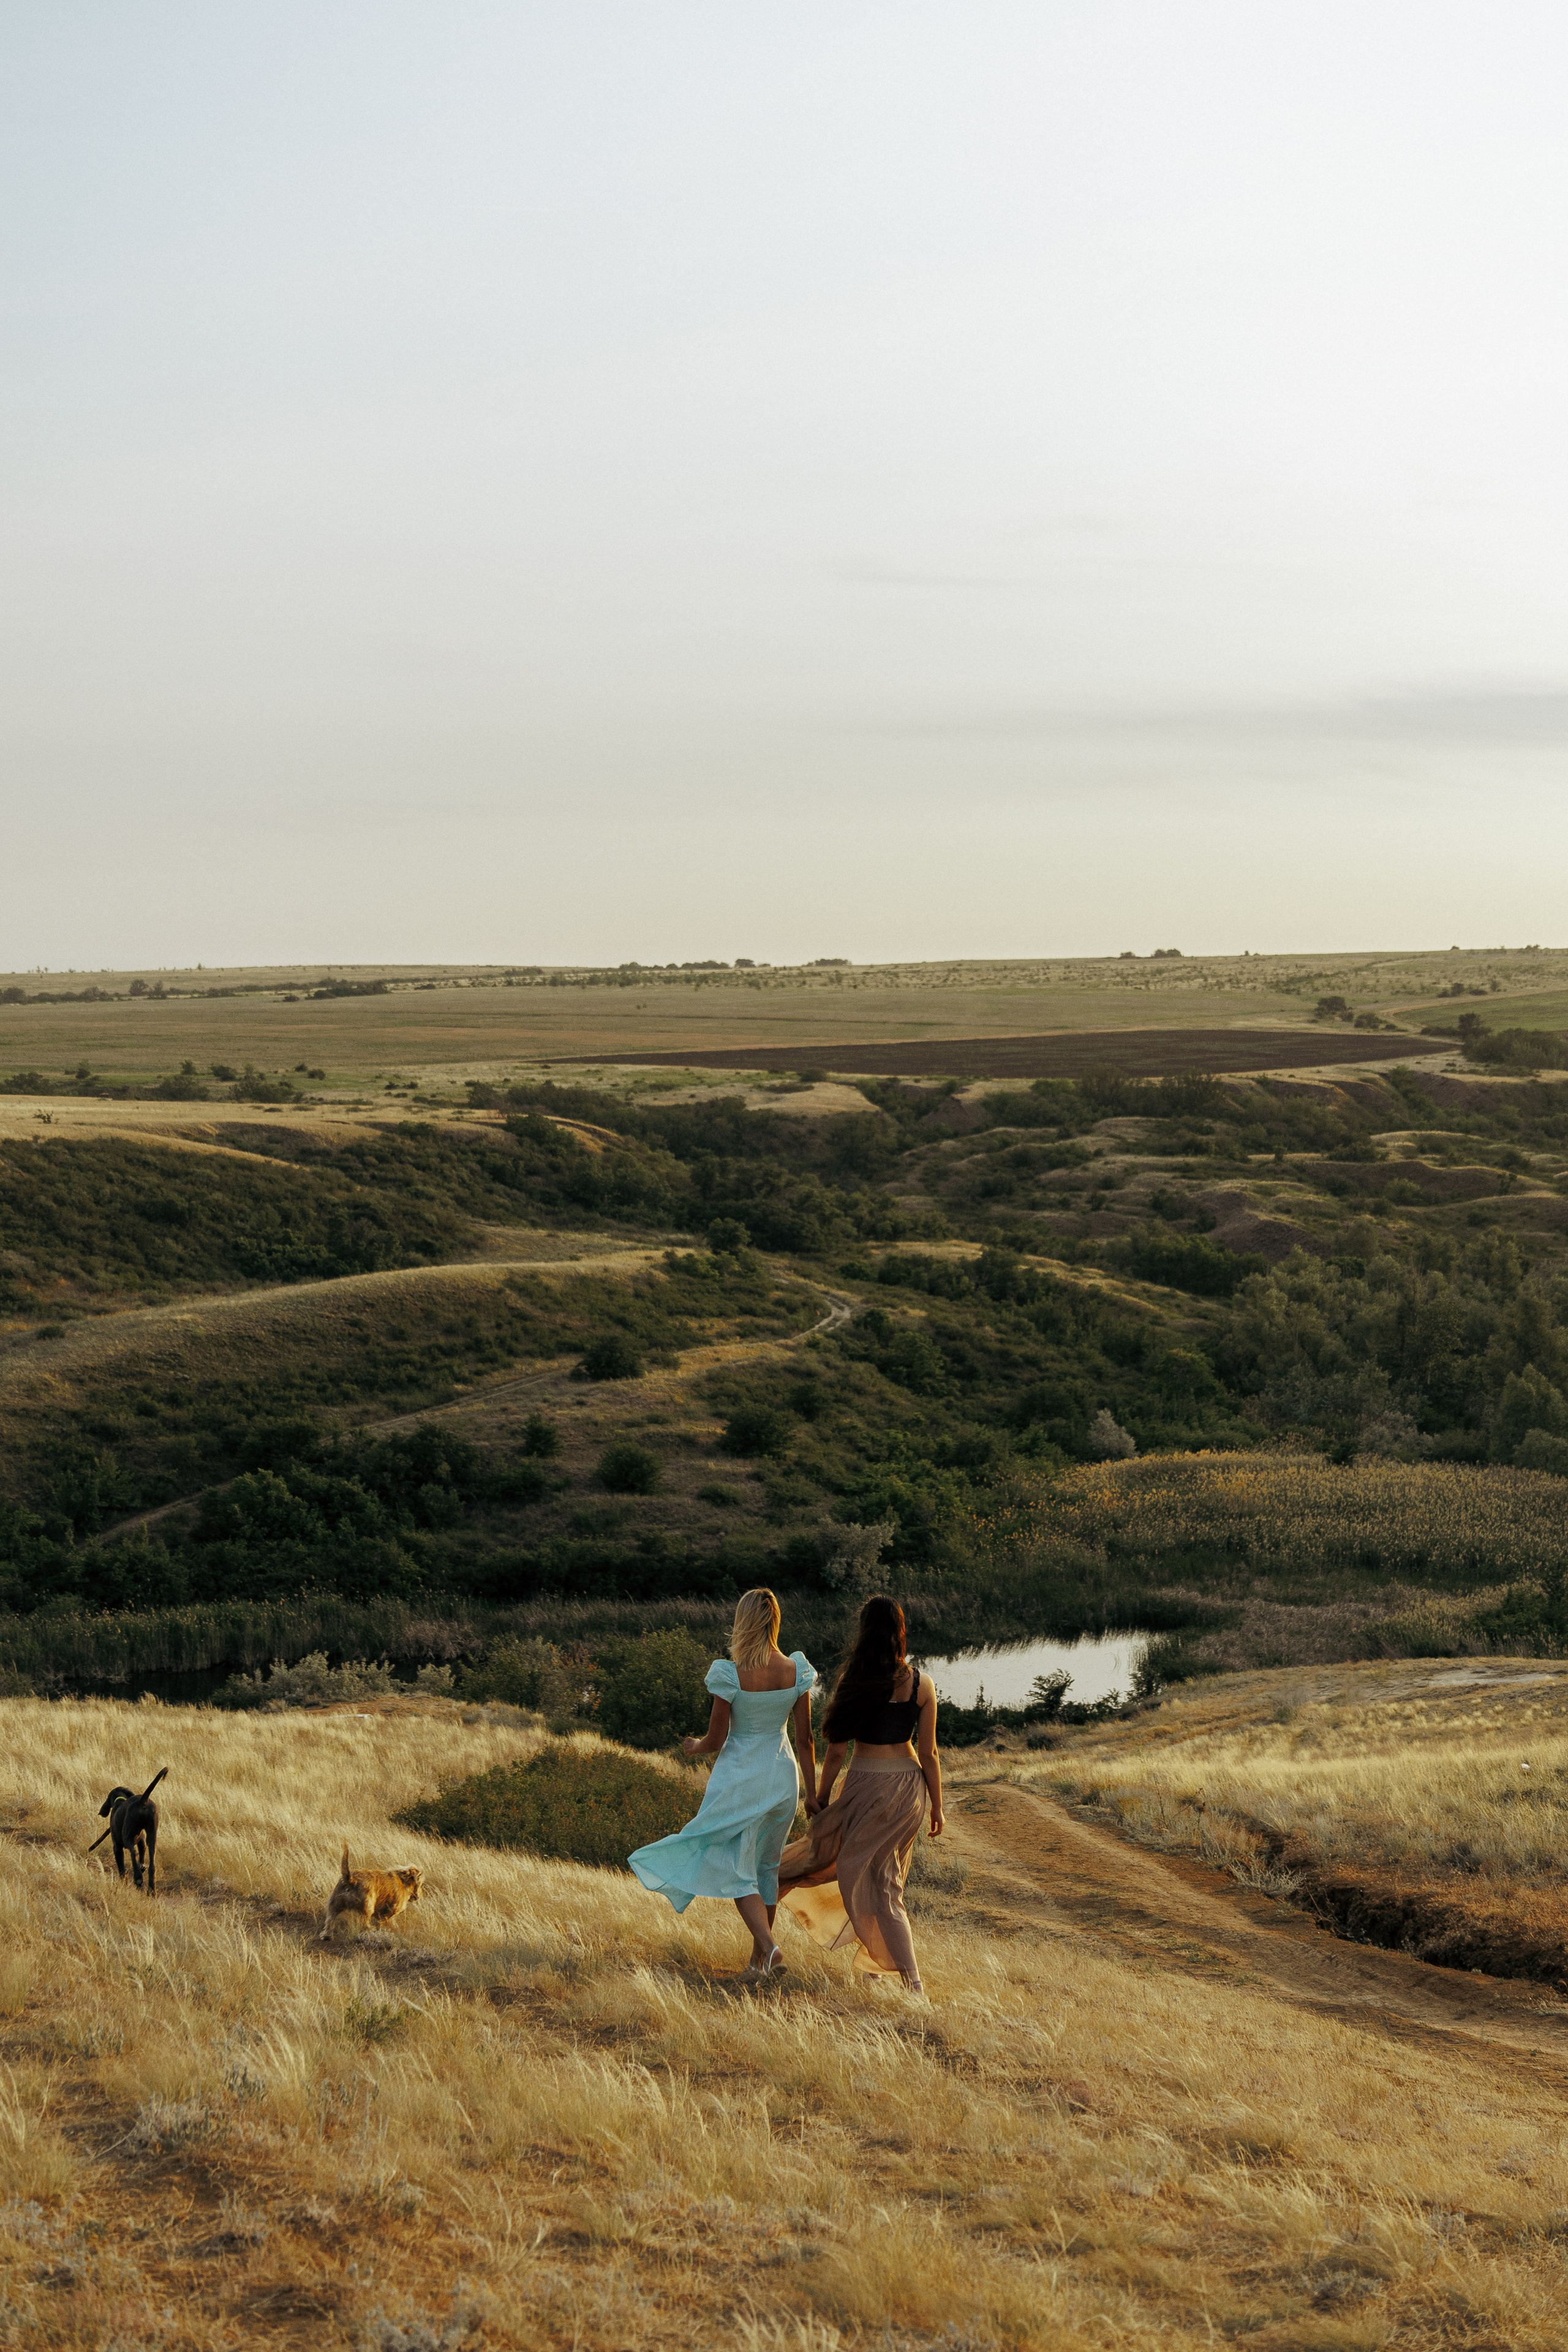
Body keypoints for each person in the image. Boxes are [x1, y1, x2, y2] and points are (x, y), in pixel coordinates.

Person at [628, 1588, 816, 1979]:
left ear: (743, 1621)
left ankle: (769, 1947)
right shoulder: (797, 1670)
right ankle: (758, 1963)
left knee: (734, 1868)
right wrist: (812, 1794)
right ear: (775, 1621)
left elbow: (716, 1740)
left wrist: (695, 1747)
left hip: (742, 1777)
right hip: (783, 1777)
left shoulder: (730, 1673)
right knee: (766, 1867)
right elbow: (806, 1741)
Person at [775, 1593, 941, 1994]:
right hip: (908, 1791)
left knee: (872, 1880)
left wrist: (821, 1796)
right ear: (899, 1632)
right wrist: (936, 1804)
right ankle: (877, 1967)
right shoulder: (921, 1683)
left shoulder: (855, 1681)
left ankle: (911, 1982)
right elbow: (929, 1753)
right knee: (882, 1881)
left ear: (865, 1633)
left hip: (872, 1788)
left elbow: (836, 1750)